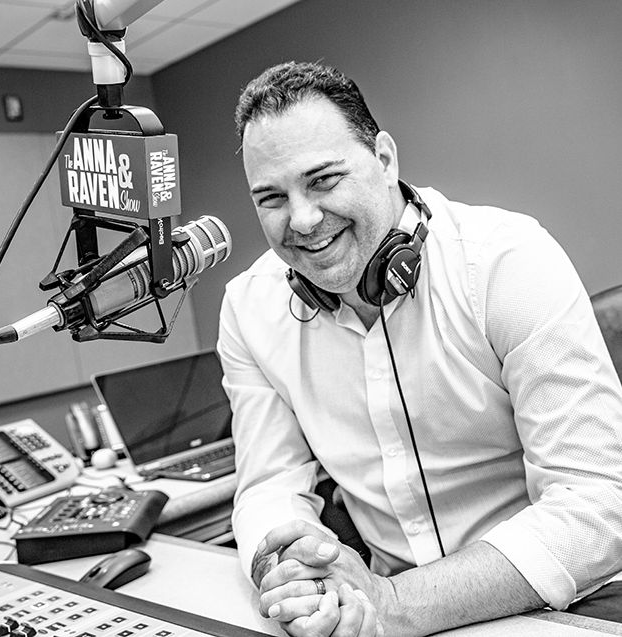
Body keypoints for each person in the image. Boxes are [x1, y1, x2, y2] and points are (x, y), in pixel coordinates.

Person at [216, 60, 622, 636]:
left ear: (384, 159)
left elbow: (599, 506)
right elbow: (267, 485)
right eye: (271, 198)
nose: (302, 220)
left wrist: (394, 602)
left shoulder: (505, 260)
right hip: (378, 610)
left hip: (564, 600)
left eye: (323, 180)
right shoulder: (248, 308)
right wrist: (288, 572)